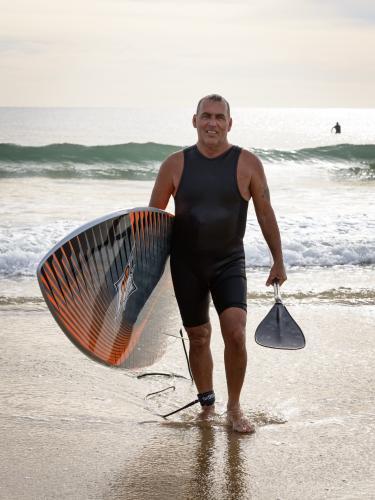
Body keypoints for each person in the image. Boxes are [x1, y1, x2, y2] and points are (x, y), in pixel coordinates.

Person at [149, 94, 286, 433]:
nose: (212, 123)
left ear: (229, 123)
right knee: (198, 336)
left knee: (235, 334)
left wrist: (278, 260)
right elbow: (151, 220)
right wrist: (143, 269)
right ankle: (207, 403)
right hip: (186, 264)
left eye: (219, 117)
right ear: (194, 121)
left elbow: (265, 213)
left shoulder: (248, 164)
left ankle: (235, 407)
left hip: (228, 261)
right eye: (206, 116)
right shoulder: (174, 165)